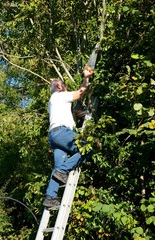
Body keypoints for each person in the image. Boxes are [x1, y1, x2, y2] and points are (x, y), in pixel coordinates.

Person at [43, 68, 93, 208]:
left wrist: (77, 113)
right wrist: (86, 77)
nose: (65, 87)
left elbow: (67, 113)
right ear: (59, 87)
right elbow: (80, 93)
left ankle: (50, 197)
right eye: (64, 85)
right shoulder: (60, 95)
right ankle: (64, 171)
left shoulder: (53, 101)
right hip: (62, 133)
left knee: (58, 166)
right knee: (87, 148)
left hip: (54, 136)